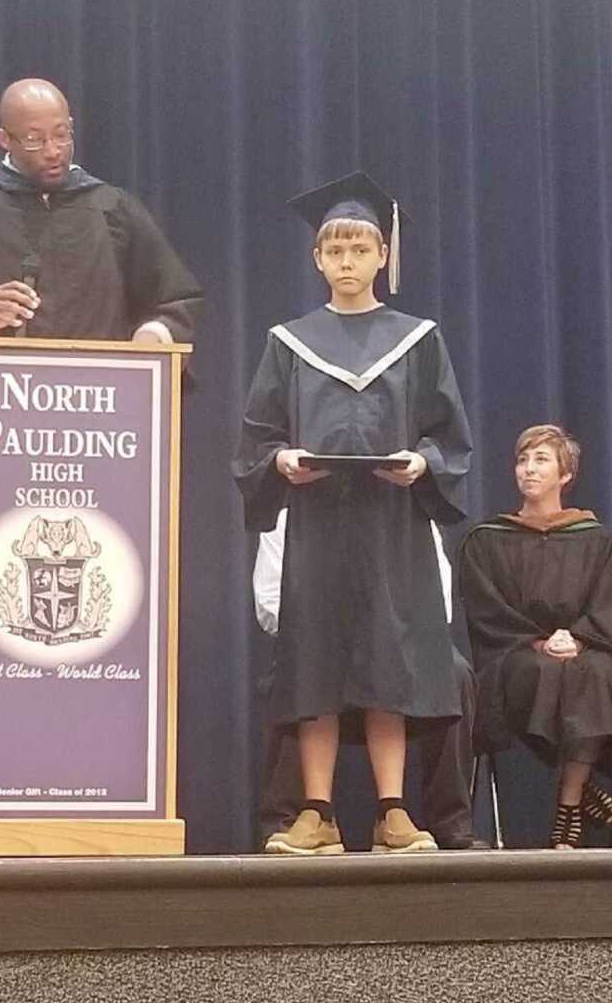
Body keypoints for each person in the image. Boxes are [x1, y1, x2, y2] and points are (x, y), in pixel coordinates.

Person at [233, 171, 473, 855]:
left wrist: (423, 463)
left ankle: (393, 812)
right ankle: (317, 814)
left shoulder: (417, 338)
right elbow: (259, 434)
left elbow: (447, 433)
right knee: (314, 667)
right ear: (316, 259)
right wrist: (279, 463)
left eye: (358, 250)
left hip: (389, 524)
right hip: (318, 523)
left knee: (387, 662)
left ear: (381, 257)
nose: (345, 263)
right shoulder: (290, 342)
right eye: (333, 251)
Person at [0, 78, 202, 362]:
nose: (53, 151)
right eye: (34, 140)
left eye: (61, 135)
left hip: (99, 399)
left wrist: (151, 337)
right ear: (4, 139)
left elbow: (176, 300)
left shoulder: (112, 209)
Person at [459, 425, 612, 850]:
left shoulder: (596, 539)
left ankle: (568, 803)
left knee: (599, 672)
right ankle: (584, 792)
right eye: (523, 460)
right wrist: (538, 642)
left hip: (586, 648)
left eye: (541, 460)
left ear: (566, 474)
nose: (528, 470)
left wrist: (579, 637)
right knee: (545, 673)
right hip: (518, 652)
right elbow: (488, 612)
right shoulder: (487, 541)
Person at [254, 510, 476, 851]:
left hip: (399, 641)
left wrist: (386, 628)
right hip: (318, 640)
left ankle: (426, 818)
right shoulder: (291, 514)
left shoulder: (408, 512)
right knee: (302, 666)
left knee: (450, 672)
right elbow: (270, 603)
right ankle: (304, 817)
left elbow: (438, 603)